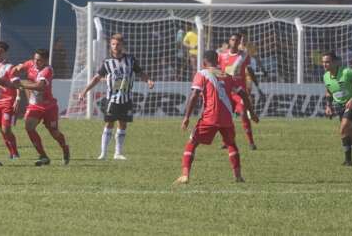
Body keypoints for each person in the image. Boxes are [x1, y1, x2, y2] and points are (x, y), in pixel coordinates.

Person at [174, 50, 258, 184]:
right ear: (218, 61)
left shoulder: (202, 73)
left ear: (204, 62)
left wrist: (186, 117)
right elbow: (243, 94)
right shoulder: (227, 76)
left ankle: (185, 175)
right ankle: (238, 176)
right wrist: (252, 113)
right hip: (227, 118)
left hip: (210, 117)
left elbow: (195, 95)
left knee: (192, 143)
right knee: (231, 144)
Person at [80, 33, 155, 160]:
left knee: (123, 124)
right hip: (112, 99)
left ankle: (118, 153)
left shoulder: (130, 60)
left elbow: (140, 72)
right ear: (110, 45)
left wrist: (148, 80)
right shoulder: (107, 62)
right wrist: (85, 91)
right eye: (113, 44)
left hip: (126, 98)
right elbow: (97, 78)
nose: (115, 46)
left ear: (122, 45)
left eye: (118, 44)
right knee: (109, 123)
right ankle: (103, 153)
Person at [15, 49, 70, 166]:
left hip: (49, 106)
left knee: (54, 132)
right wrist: (14, 72)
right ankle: (43, 156)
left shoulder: (47, 70)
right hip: (35, 105)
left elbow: (39, 86)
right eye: (35, 59)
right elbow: (18, 68)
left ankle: (65, 148)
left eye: (39, 60)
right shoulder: (31, 64)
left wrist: (20, 84)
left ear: (45, 60)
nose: (36, 62)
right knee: (29, 126)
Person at [218, 33, 261, 150]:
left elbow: (249, 70)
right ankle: (226, 141)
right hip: (226, 92)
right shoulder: (221, 56)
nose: (235, 42)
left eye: (237, 40)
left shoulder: (244, 56)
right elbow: (217, 70)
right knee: (225, 117)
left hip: (239, 92)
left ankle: (251, 142)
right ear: (229, 41)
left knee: (243, 114)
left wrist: (256, 83)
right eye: (233, 40)